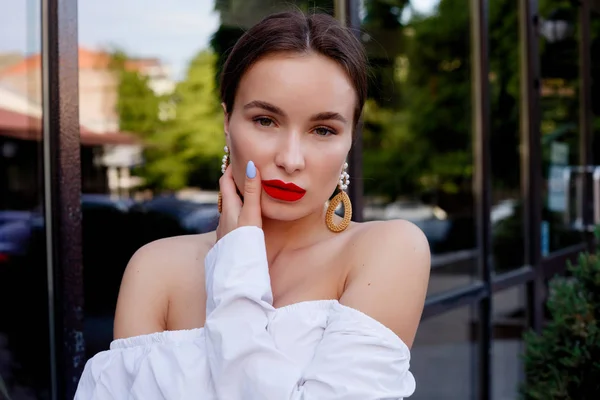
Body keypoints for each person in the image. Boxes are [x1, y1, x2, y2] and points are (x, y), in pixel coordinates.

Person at [74, 9, 430, 400]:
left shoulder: (388, 251)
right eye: (265, 120)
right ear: (227, 121)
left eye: (323, 129)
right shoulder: (156, 269)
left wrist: (236, 269)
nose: (291, 159)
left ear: (350, 139)